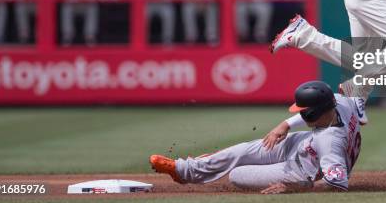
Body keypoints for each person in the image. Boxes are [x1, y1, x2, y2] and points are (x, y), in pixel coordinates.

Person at [150, 80, 367, 193]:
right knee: (242, 151)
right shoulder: (339, 102)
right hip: (303, 144)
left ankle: (202, 166)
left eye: (301, 111)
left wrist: (293, 188)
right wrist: (285, 125)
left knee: (237, 174)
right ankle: (182, 170)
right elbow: (356, 87)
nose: (298, 112)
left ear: (313, 113)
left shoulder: (330, 142)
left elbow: (336, 184)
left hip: (302, 170)